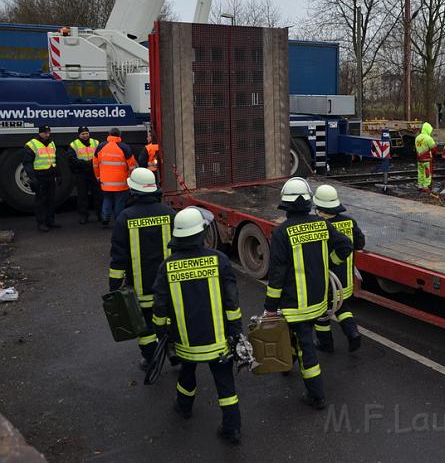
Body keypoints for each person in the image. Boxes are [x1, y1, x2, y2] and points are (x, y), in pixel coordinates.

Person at [152, 206, 243, 445]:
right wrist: (236, 333)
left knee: (187, 374)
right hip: (219, 340)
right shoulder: (220, 261)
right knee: (225, 384)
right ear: (200, 234)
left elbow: (159, 307)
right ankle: (232, 428)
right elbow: (232, 303)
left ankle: (183, 408)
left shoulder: (166, 266)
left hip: (186, 342)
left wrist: (162, 333)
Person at [264, 177, 353, 409]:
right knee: (296, 336)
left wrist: (270, 307)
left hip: (295, 306)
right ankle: (288, 364)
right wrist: (330, 265)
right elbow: (346, 246)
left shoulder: (281, 232)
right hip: (319, 301)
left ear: (286, 205)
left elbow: (276, 275)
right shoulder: (322, 224)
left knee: (307, 350)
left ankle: (317, 395)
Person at [109, 168, 175, 370]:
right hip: (169, 287)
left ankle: (151, 359)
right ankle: (174, 353)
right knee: (171, 319)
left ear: (133, 191)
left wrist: (114, 287)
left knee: (145, 326)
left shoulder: (125, 218)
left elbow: (118, 258)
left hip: (141, 289)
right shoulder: (169, 213)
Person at [312, 184, 365, 353]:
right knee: (341, 307)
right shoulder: (349, 221)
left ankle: (325, 343)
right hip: (345, 280)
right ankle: (352, 333)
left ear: (319, 206)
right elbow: (359, 244)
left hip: (326, 280)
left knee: (322, 313)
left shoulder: (319, 226)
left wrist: (331, 261)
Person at [93, 127, 137, 227]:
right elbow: (132, 165)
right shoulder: (124, 147)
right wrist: (131, 177)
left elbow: (95, 164)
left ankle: (105, 218)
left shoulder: (101, 146)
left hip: (105, 181)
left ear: (109, 134)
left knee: (107, 198)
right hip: (120, 181)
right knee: (119, 200)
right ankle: (119, 220)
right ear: (119, 135)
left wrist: (98, 177)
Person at [23, 125, 61, 232]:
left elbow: (55, 160)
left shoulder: (52, 143)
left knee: (51, 200)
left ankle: (50, 221)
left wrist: (59, 175)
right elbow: (27, 163)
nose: (47, 134)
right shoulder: (32, 144)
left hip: (50, 175)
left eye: (48, 132)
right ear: (40, 133)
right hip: (39, 176)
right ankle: (41, 223)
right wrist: (33, 178)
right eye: (44, 132)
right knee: (40, 201)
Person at [67, 126, 101, 224]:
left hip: (94, 172)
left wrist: (92, 163)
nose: (85, 135)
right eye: (83, 134)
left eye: (87, 133)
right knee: (82, 196)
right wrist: (85, 163)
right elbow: (71, 159)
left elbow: (100, 155)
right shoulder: (74, 145)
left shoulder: (96, 142)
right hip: (81, 172)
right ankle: (83, 216)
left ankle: (99, 214)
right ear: (79, 135)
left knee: (98, 195)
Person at [414, 122, 438, 193]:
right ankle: (426, 187)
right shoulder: (428, 138)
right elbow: (434, 149)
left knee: (420, 173)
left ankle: (420, 186)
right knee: (427, 173)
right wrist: (434, 154)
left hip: (419, 159)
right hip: (427, 159)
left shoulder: (417, 138)